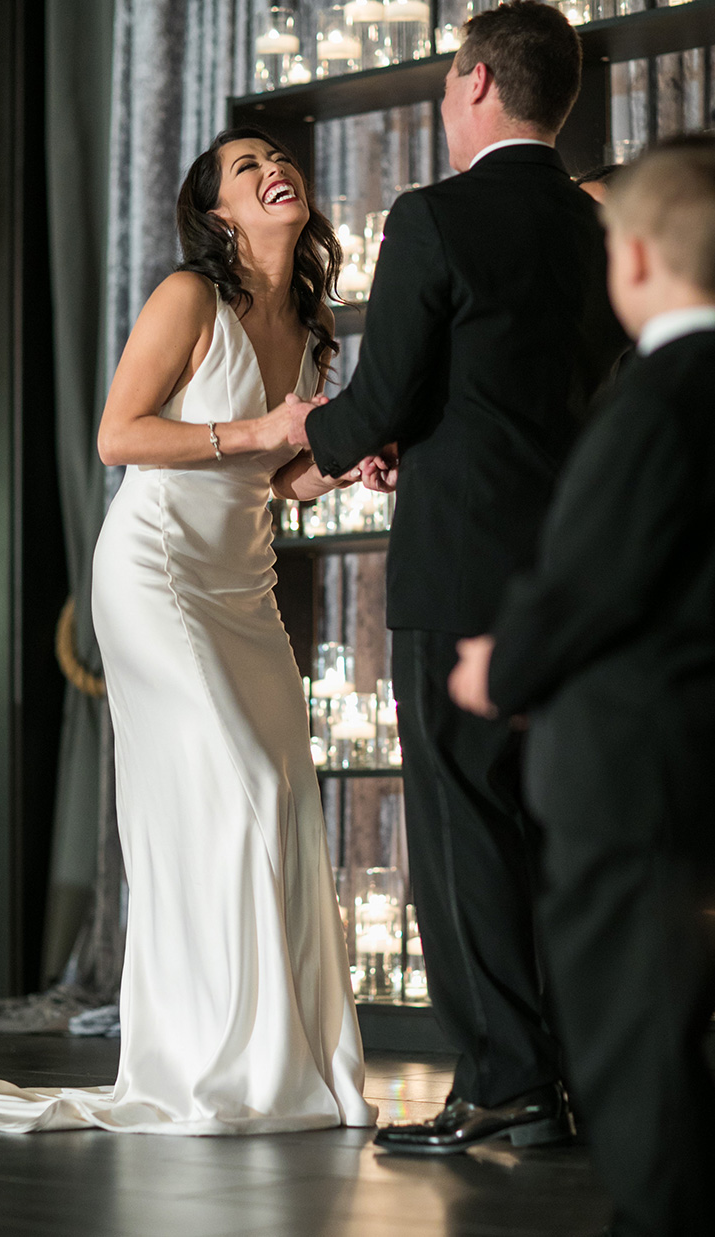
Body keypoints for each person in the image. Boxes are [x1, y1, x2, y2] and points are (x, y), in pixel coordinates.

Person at [0, 128, 377, 1136]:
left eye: (272, 157)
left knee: (285, 796)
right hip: (156, 570)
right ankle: (209, 1059)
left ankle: (279, 1060)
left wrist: (345, 466)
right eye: (241, 168)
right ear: (215, 212)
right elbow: (120, 434)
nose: (266, 168)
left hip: (242, 584)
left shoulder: (311, 316)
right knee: (242, 781)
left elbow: (281, 481)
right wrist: (258, 431)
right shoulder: (187, 297)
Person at [284, 0, 627, 1154]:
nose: (441, 104)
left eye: (443, 85)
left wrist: (319, 452)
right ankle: (576, 1073)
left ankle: (504, 1081)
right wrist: (414, 430)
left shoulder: (435, 219)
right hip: (578, 569)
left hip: (463, 568)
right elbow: (541, 384)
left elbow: (385, 399)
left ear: (477, 80)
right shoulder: (595, 226)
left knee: (462, 822)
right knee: (559, 826)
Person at [449, 134, 715, 1237]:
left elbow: (593, 578)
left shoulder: (655, 399)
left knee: (636, 1060)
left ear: (638, 259)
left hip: (631, 772)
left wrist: (498, 665)